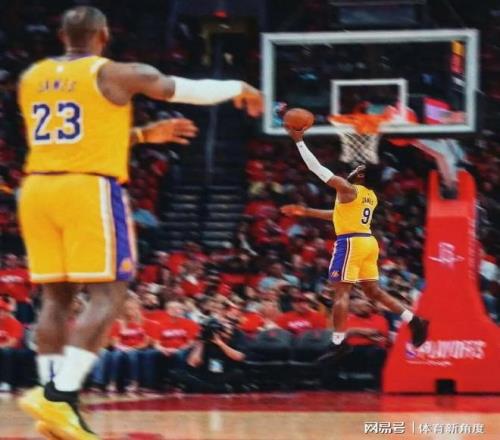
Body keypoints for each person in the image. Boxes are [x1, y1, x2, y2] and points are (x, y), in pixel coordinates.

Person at [17, 6, 262, 439]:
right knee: (110, 294)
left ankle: (51, 402)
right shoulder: (115, 73)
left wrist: (145, 135)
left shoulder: (31, 77)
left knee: (55, 299)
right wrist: (238, 86)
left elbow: (72, 137)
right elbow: (179, 88)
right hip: (87, 187)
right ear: (103, 35)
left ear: (62, 36)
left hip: (37, 188)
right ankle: (60, 395)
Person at [280, 124, 428, 363]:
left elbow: (315, 168)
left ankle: (338, 342)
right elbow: (337, 215)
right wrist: (305, 211)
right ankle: (414, 320)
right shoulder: (370, 196)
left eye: (356, 170)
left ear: (358, 176)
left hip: (350, 242)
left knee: (341, 291)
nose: (352, 171)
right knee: (373, 291)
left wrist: (299, 141)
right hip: (368, 241)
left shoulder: (347, 188)